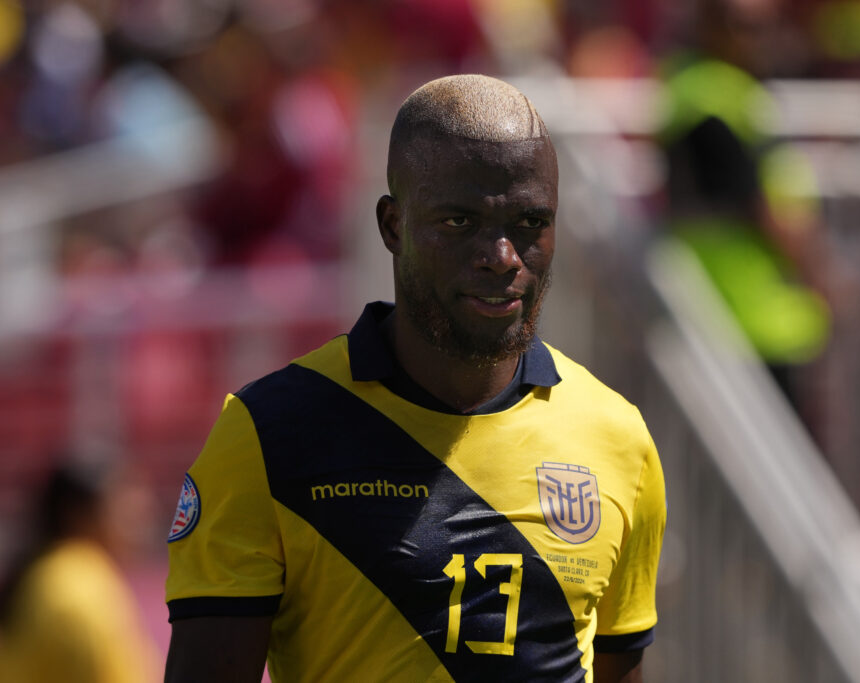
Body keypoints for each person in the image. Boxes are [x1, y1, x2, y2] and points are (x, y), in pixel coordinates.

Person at [163, 74, 666, 683]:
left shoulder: (617, 439)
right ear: (392, 226)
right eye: (460, 222)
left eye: (531, 222)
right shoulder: (269, 434)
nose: (502, 256)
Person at [0, 459, 159, 683]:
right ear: (78, 515)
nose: (143, 514)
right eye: (125, 501)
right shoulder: (80, 587)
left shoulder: (46, 574)